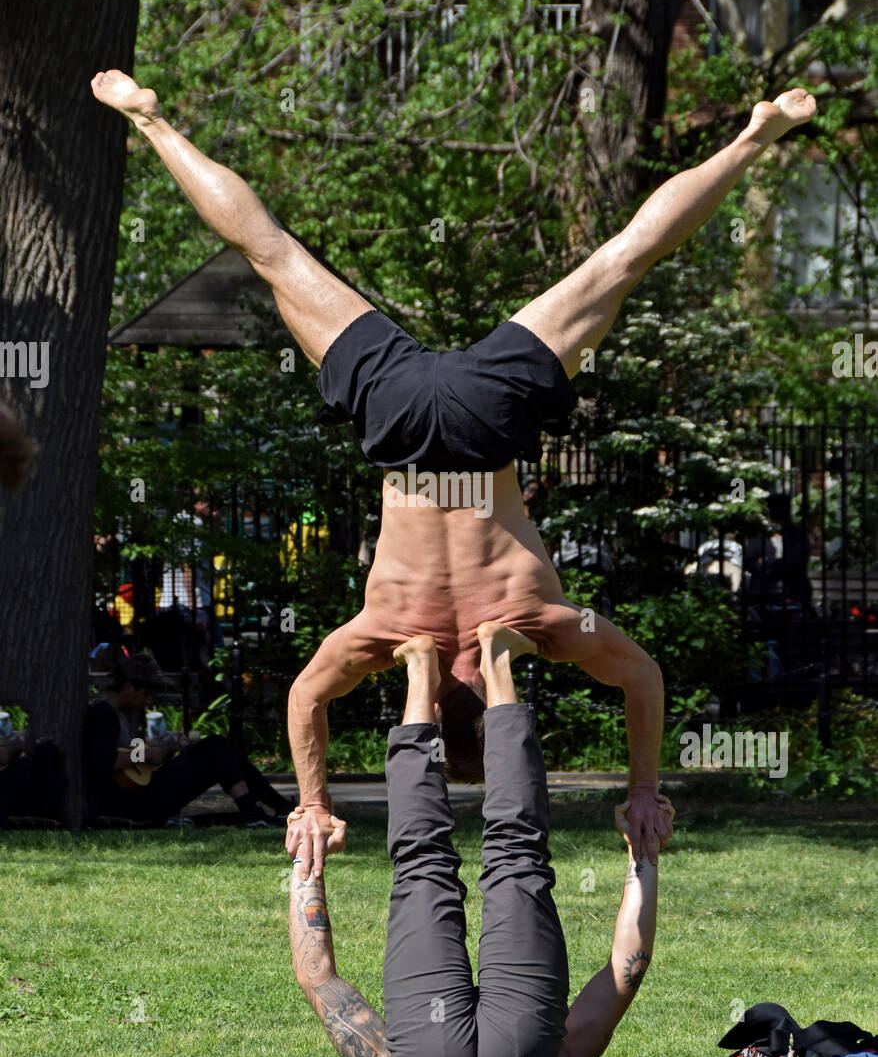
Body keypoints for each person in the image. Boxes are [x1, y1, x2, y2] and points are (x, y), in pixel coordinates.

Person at [90, 70, 816, 870]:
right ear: (436, 710)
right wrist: (312, 805)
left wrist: (645, 789)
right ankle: (150, 123)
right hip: (399, 418)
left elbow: (641, 677)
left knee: (624, 259)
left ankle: (752, 138)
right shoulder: (386, 637)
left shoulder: (542, 627)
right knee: (268, 250)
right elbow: (306, 696)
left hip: (484, 419)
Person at [287, 626, 673, 1057]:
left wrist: (644, 856)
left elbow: (627, 969)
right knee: (421, 866)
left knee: (518, 857)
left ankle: (497, 662)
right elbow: (317, 978)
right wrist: (306, 864)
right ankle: (422, 671)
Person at [83, 652, 289, 827]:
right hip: (130, 804)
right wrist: (148, 754)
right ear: (128, 687)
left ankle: (272, 807)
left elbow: (129, 759)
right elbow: (104, 760)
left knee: (221, 750)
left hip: (138, 795)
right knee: (215, 746)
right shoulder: (103, 713)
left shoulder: (121, 715)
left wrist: (165, 749)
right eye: (146, 694)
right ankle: (257, 810)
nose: (148, 701)